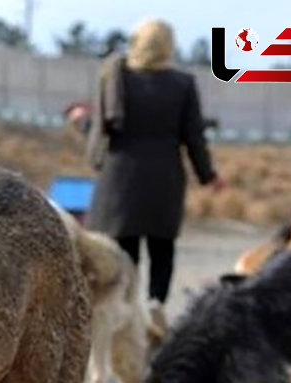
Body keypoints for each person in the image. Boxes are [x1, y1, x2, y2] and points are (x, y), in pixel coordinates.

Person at [86, 18, 221, 325]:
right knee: (162, 250)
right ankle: (155, 305)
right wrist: (207, 175)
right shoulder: (183, 83)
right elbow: (194, 137)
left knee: (124, 253)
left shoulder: (115, 77)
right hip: (164, 178)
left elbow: (103, 127)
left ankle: (128, 313)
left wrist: (83, 124)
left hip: (120, 177)